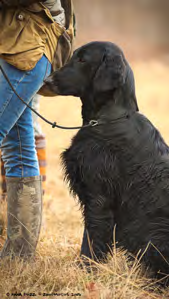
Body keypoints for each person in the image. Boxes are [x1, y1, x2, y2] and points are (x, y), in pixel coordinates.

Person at [0, 0, 75, 258]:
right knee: (18, 146)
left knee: (18, 145)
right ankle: (19, 256)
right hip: (17, 45)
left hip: (26, 47)